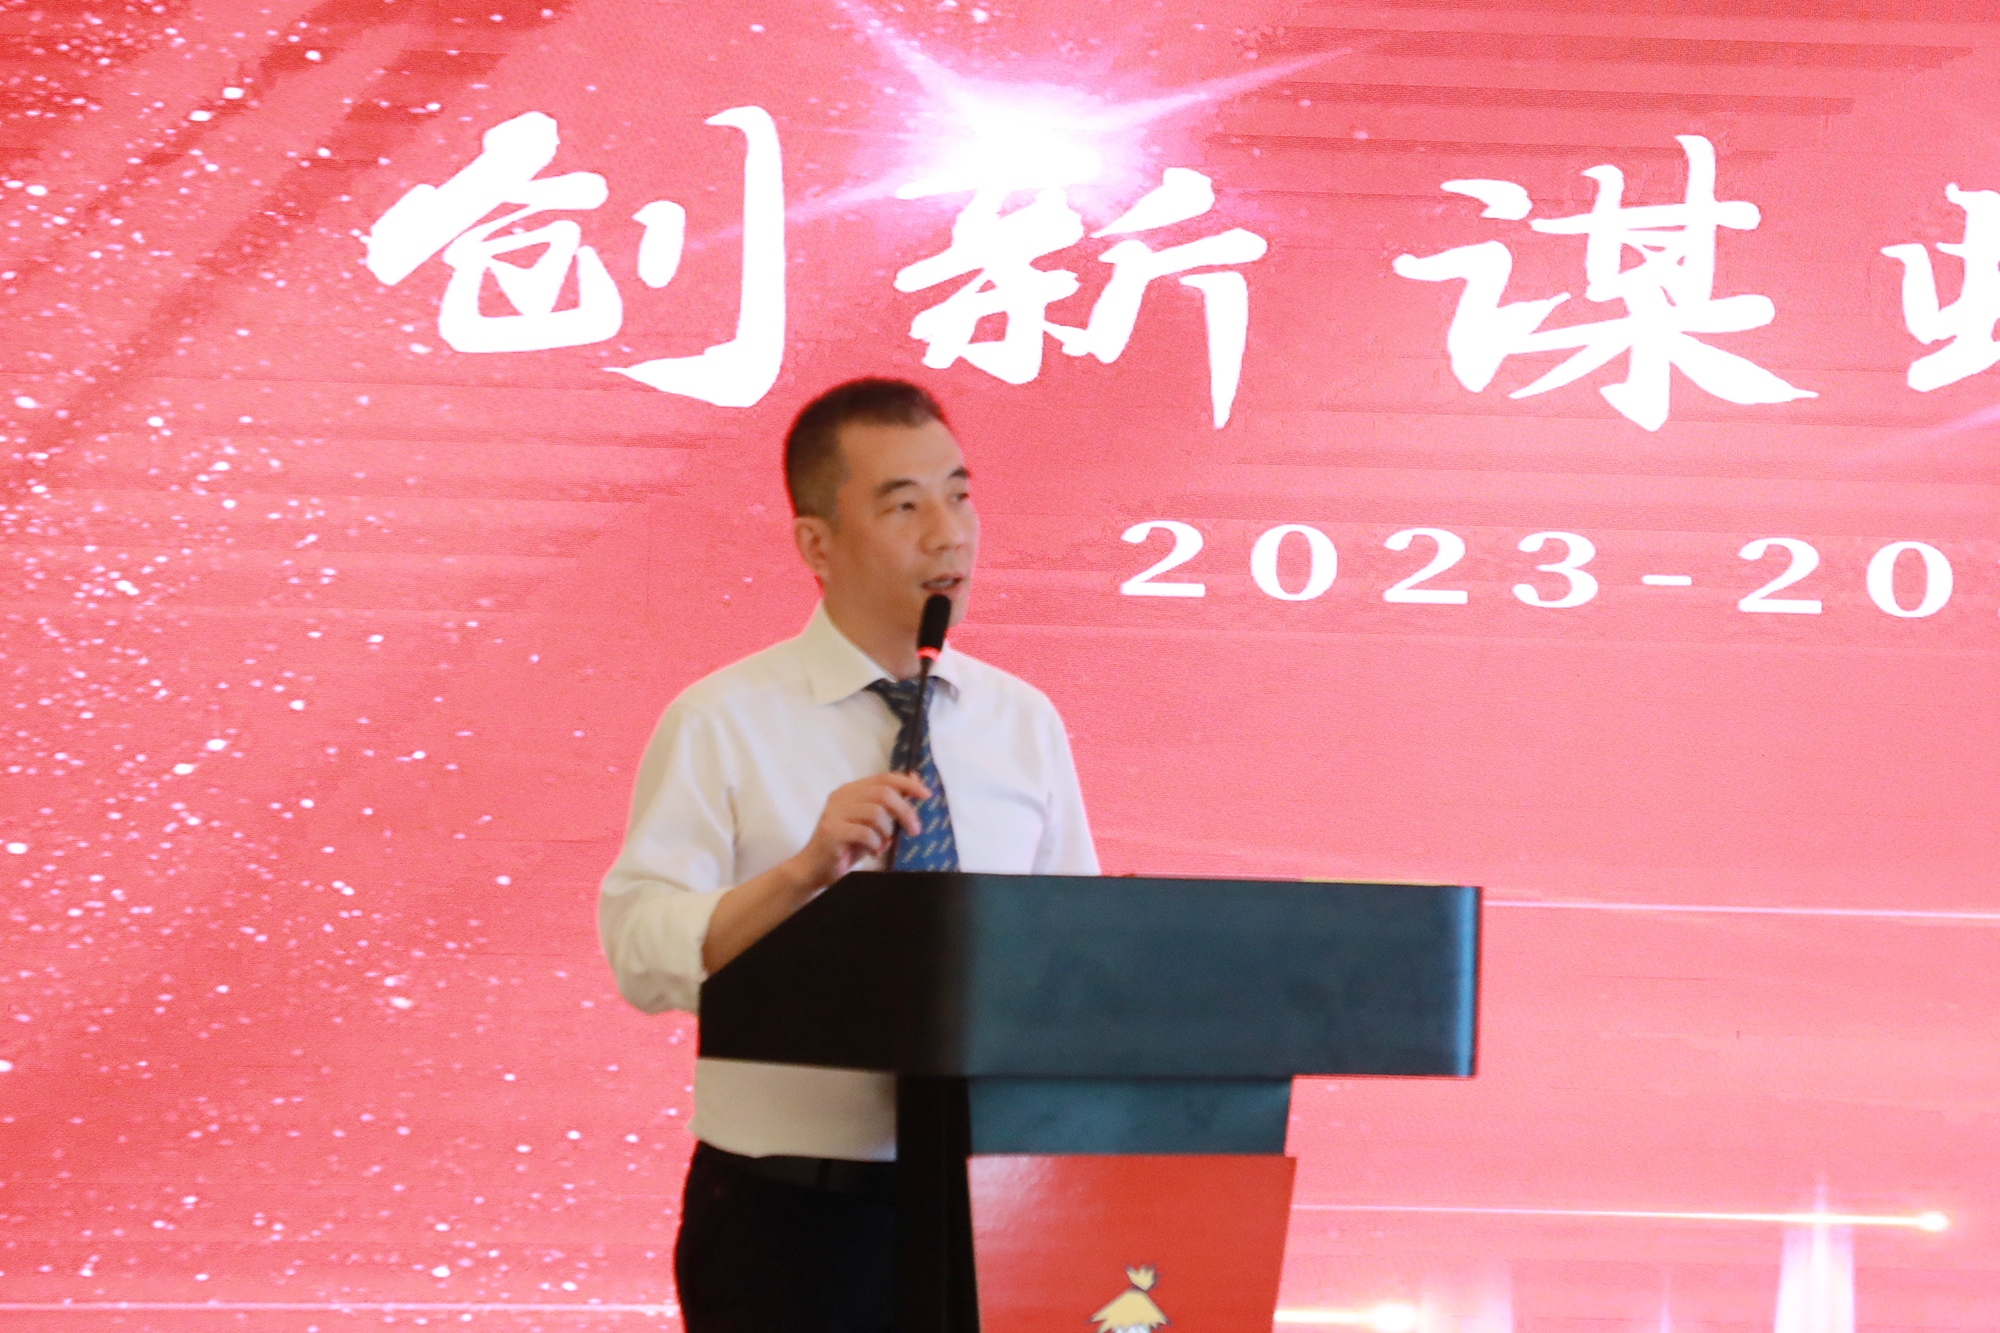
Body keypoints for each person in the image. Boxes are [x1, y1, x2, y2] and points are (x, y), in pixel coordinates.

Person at [597, 377, 1099, 1333]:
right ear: (816, 544)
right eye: (904, 507)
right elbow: (639, 949)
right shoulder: (722, 720)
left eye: (959, 496)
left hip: (994, 1210)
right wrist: (802, 875)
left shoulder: (1021, 721)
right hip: (791, 1223)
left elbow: (1072, 950)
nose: (949, 535)